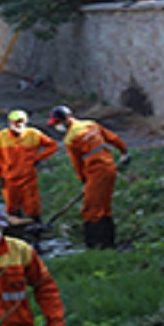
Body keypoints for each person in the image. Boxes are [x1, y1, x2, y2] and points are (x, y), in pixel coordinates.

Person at [48, 105, 129, 249]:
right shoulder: (90, 124)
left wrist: (84, 181)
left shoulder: (71, 139)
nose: (57, 127)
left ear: (66, 120)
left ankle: (94, 245)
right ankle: (108, 243)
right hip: (109, 167)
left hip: (97, 172)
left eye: (58, 123)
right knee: (104, 206)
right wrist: (124, 152)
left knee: (90, 210)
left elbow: (77, 164)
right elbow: (113, 138)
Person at [0, 109, 59, 222]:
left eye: (21, 121)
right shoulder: (1, 136)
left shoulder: (34, 134)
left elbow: (52, 146)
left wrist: (38, 158)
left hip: (28, 178)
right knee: (12, 208)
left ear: (26, 121)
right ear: (10, 122)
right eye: (16, 122)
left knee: (33, 207)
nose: (19, 124)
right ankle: (17, 233)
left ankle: (37, 231)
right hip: (9, 179)